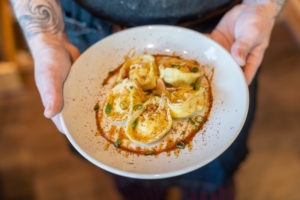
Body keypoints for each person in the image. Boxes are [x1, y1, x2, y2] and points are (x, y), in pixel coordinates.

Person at [10, 0, 285, 199]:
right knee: (126, 173)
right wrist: (46, 36)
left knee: (214, 172)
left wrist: (263, 5)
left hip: (222, 31)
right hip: (85, 29)